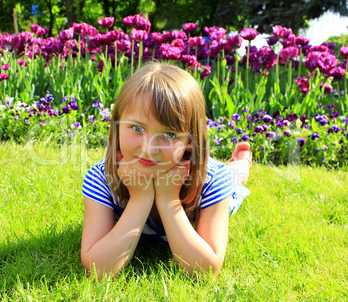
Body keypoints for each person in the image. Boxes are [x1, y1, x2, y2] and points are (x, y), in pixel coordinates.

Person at [81, 62, 252, 280]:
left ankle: (241, 162)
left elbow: (206, 270)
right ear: (116, 124)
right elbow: (98, 270)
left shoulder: (214, 180)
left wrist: (169, 199)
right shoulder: (100, 179)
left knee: (236, 180)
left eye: (169, 134)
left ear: (190, 142)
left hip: (220, 180)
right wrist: (140, 199)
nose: (149, 148)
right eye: (137, 128)